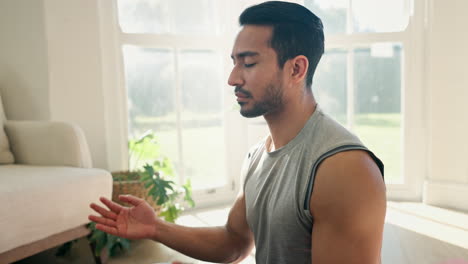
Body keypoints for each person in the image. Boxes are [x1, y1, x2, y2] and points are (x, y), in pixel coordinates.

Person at [89, 1, 386, 263]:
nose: (233, 78)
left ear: (296, 69)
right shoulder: (259, 155)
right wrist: (156, 228)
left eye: (249, 63)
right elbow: (234, 243)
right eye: (234, 62)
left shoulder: (344, 169)